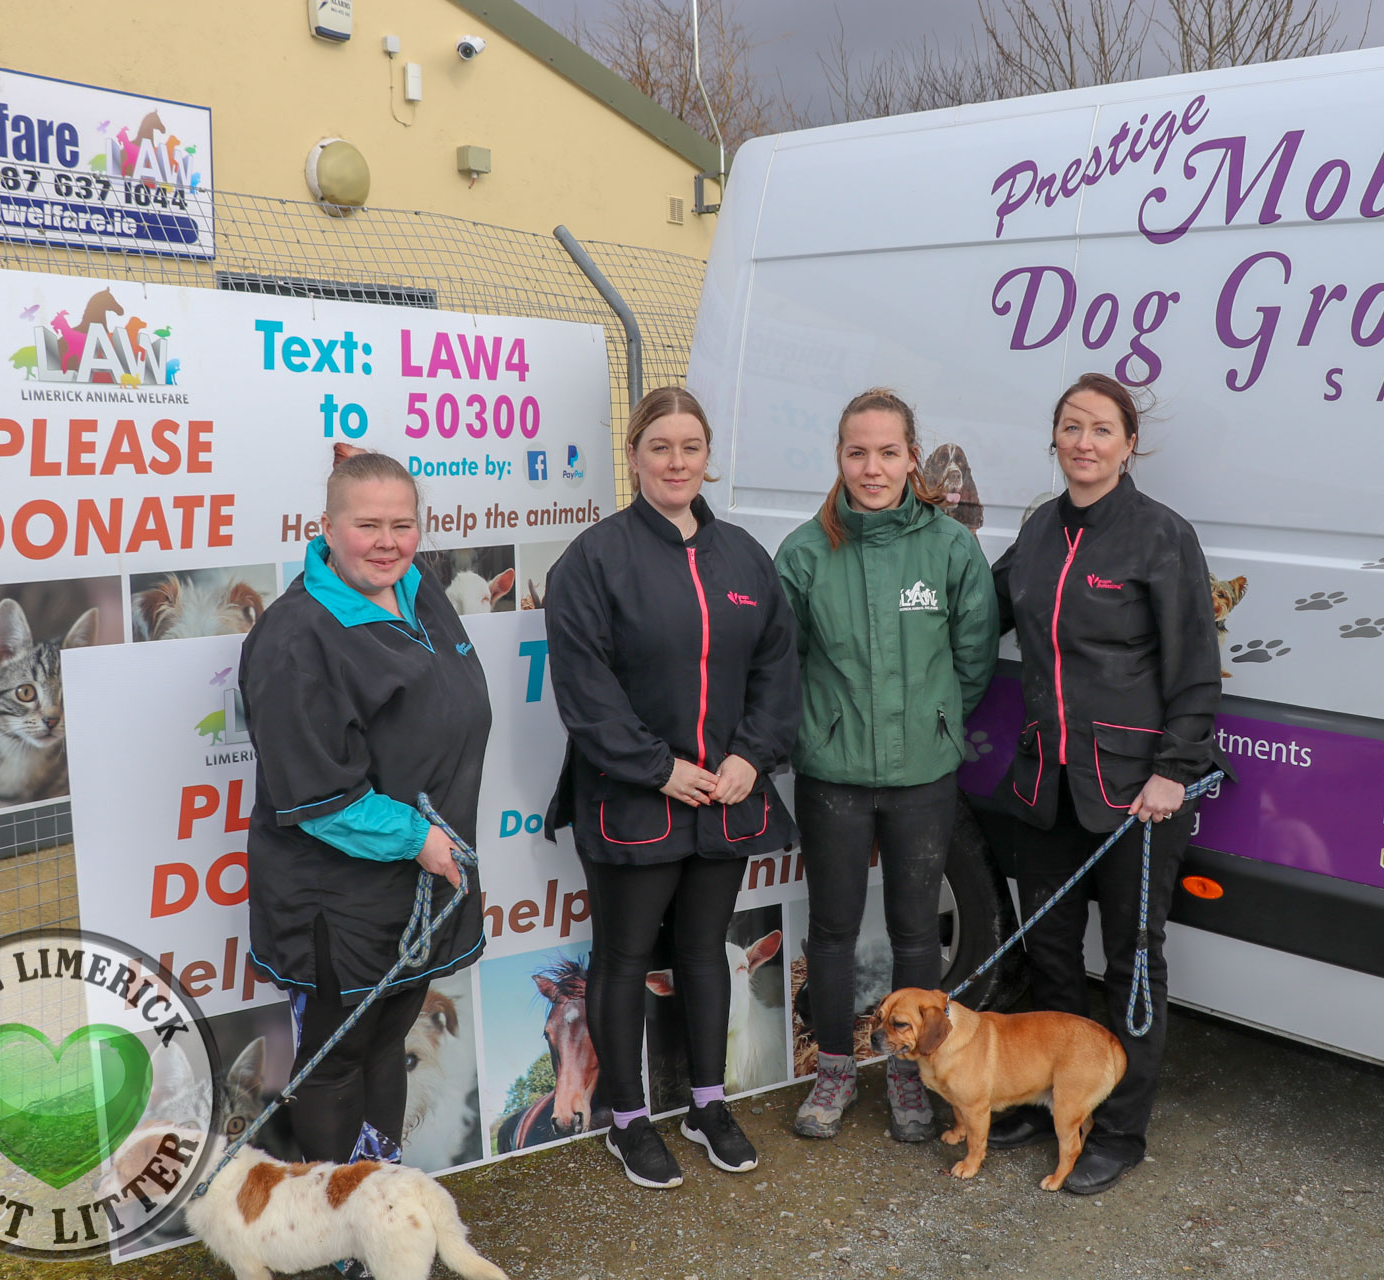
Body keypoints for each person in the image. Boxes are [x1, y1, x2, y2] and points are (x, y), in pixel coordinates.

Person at [543, 386, 800, 1190]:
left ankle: (707, 1104)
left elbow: (776, 668)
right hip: (634, 800)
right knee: (622, 960)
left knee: (701, 953)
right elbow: (586, 693)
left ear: (706, 456)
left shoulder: (745, 559)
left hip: (726, 798)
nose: (677, 461)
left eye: (691, 447)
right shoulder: (592, 561)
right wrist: (659, 768)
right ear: (633, 455)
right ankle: (626, 1121)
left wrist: (751, 758)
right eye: (661, 447)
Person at [240, 450, 488, 1275]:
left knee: (389, 1046)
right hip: (337, 900)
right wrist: (421, 839)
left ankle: (378, 1209)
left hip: (419, 891)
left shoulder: (416, 588)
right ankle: (330, 1235)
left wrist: (366, 464)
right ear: (326, 528)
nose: (387, 542)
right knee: (337, 1061)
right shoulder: (296, 638)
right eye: (366, 524)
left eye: (402, 522)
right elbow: (321, 793)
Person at [987, 371, 1228, 1195]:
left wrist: (1175, 772)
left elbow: (1197, 670)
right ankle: (1058, 1103)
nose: (1083, 443)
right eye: (1070, 427)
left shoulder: (1161, 536)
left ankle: (1119, 1130)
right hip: (1046, 786)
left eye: (1101, 430)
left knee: (1131, 963)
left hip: (1135, 794)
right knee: (1050, 954)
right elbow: (981, 610)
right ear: (1053, 439)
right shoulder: (1038, 530)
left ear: (1129, 444)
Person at [774, 388, 997, 1142]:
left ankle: (908, 1077)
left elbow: (973, 658)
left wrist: (935, 721)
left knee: (913, 932)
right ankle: (835, 1072)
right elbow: (788, 664)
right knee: (832, 930)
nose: (873, 468)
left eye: (889, 452)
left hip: (924, 773)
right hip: (832, 772)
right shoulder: (805, 552)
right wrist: (823, 729)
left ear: (912, 457)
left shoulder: (949, 547)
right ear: (839, 457)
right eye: (857, 452)